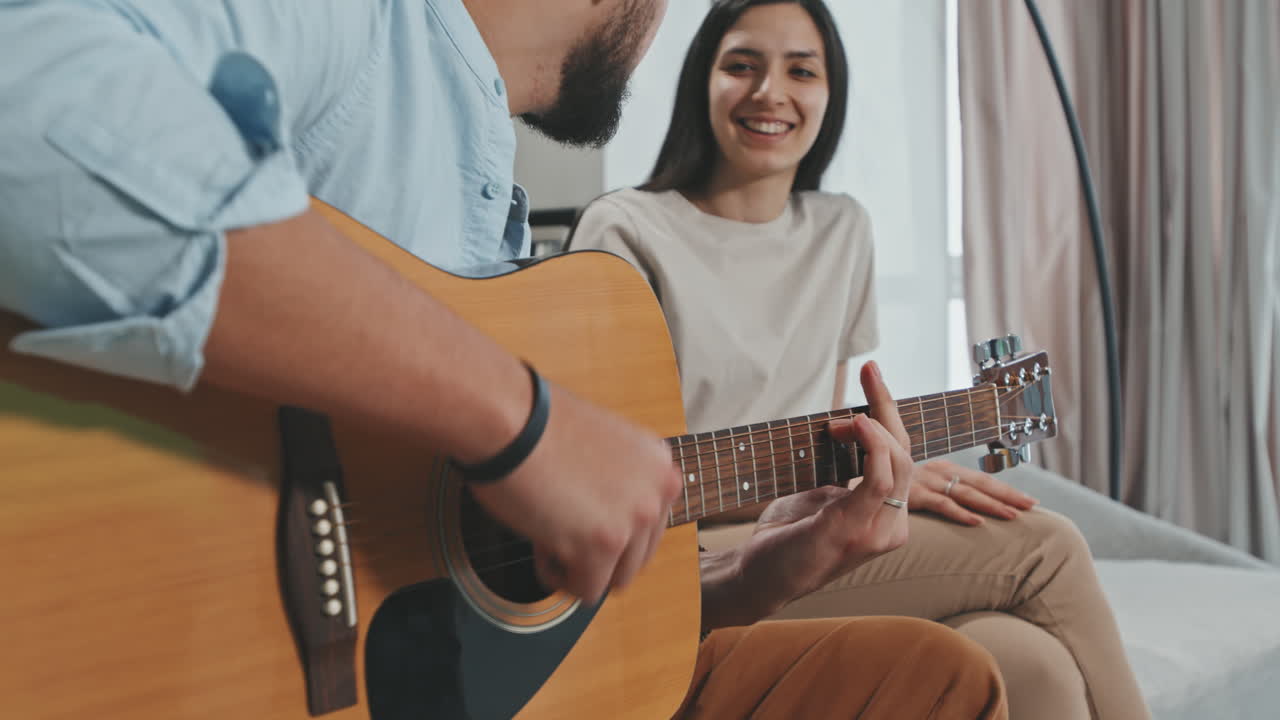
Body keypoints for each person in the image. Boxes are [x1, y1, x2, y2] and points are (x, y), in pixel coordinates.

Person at [0, 0, 1006, 716]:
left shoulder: (484, 170)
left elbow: (496, 628)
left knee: (933, 678)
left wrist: (758, 573)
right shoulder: (361, 28)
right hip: (162, 652)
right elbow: (29, 100)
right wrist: (518, 420)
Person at [568, 1, 1150, 718]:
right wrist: (833, 482)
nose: (769, 92)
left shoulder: (842, 231)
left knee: (1034, 665)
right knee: (1047, 547)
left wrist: (878, 468)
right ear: (702, 83)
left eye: (800, 71)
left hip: (810, 512)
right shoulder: (624, 230)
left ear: (829, 95)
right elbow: (601, 473)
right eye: (741, 65)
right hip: (689, 556)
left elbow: (823, 416)